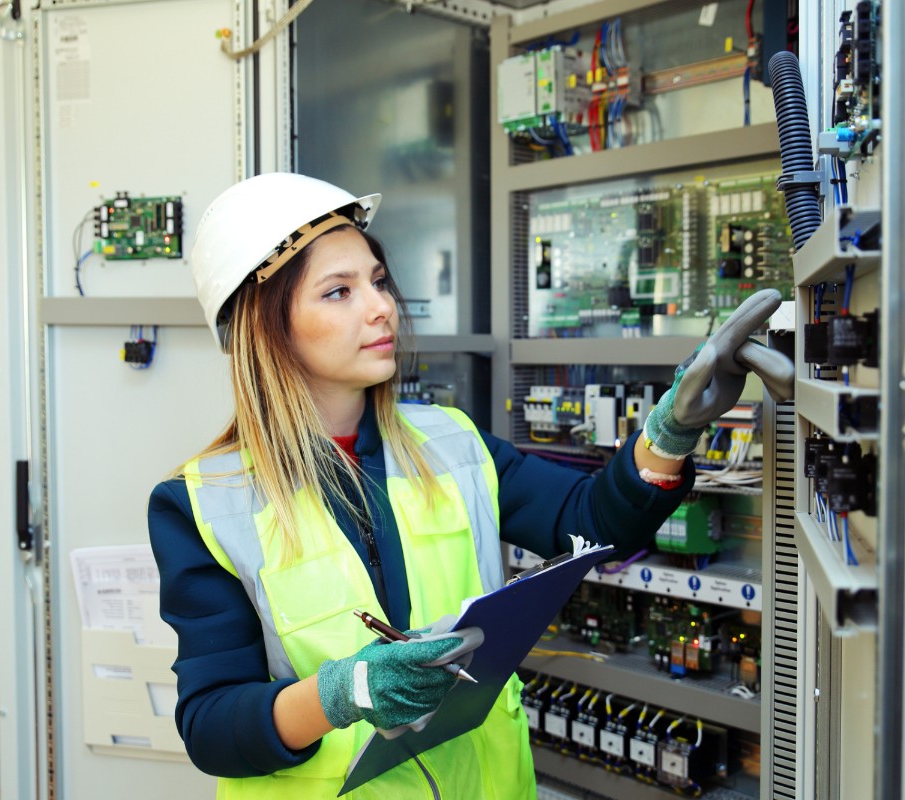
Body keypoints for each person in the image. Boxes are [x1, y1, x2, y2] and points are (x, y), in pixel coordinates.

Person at [148, 172, 794, 799]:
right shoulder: (204, 503)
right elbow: (212, 726)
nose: (381, 307)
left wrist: (670, 431)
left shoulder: (450, 444)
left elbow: (592, 521)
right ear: (265, 325)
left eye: (377, 281)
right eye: (338, 292)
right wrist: (341, 694)